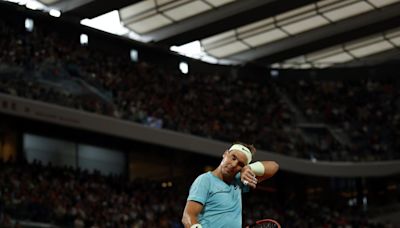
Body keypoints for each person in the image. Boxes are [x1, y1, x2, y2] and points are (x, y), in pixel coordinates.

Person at [182, 142, 279, 228]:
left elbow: (274, 166)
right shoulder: (205, 180)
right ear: (225, 154)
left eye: (240, 164)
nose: (233, 165)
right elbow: (188, 217)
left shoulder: (240, 180)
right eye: (233, 158)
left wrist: (249, 168)